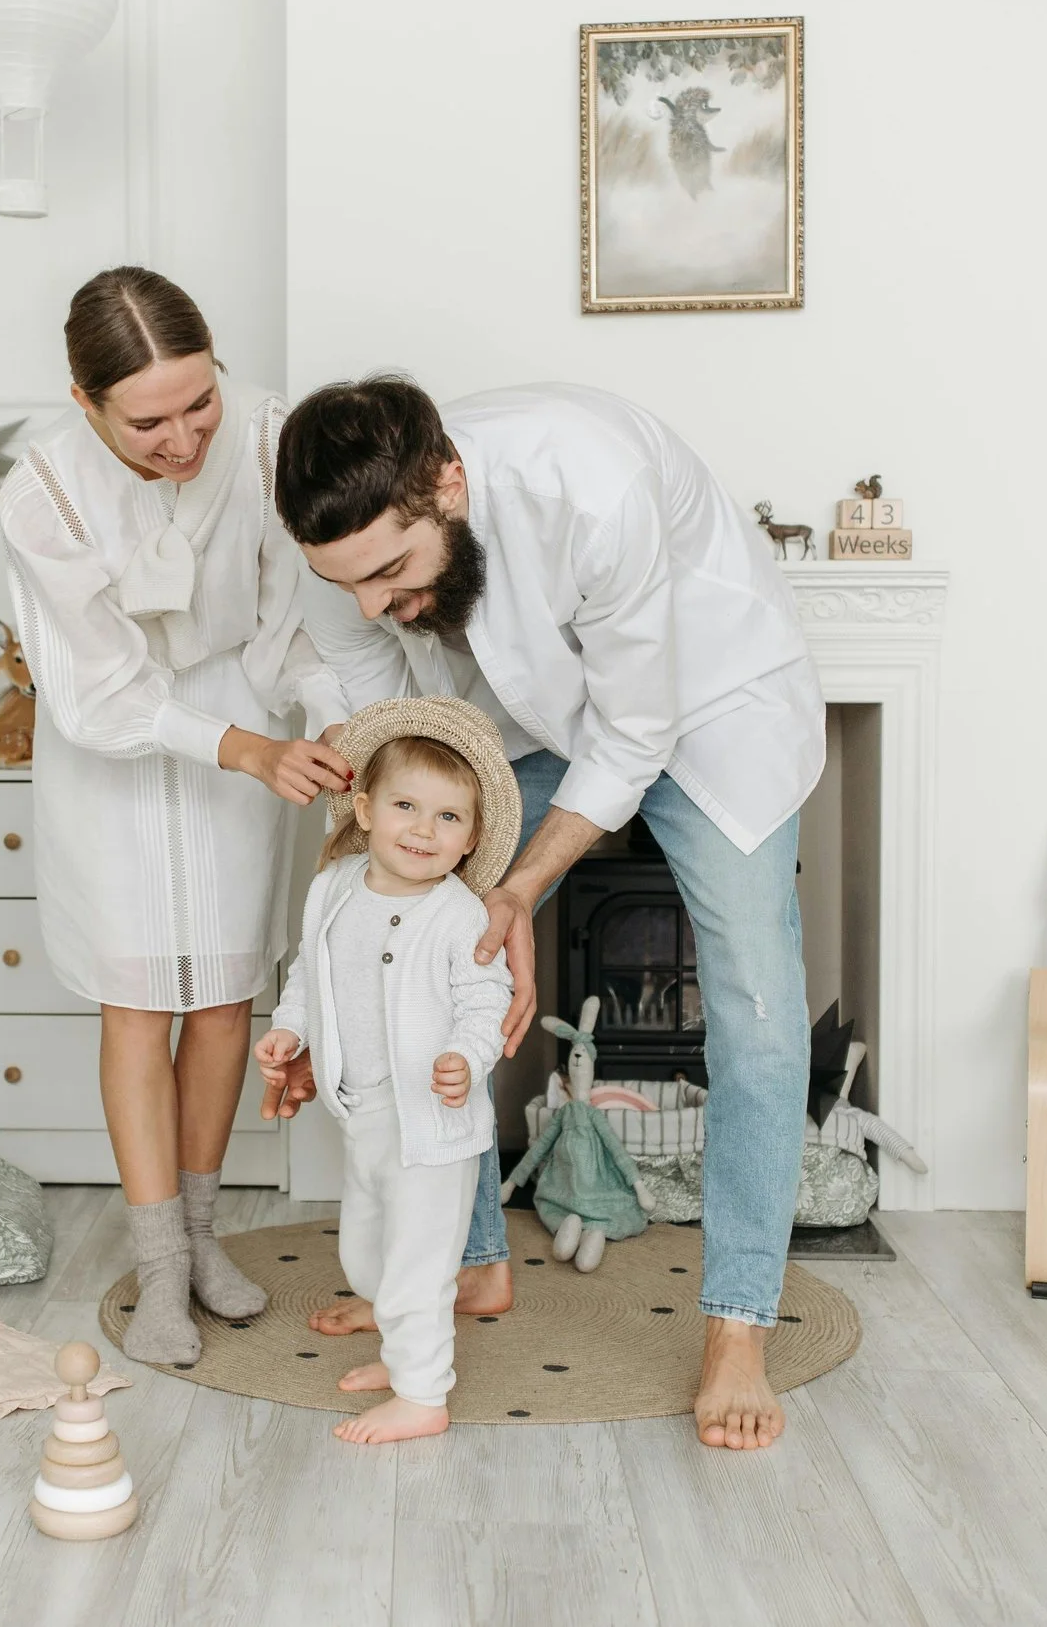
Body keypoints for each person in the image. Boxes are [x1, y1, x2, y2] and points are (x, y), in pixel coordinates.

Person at [273, 376, 823, 1450]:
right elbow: (379, 704)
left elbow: (633, 730)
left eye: (391, 571)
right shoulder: (342, 555)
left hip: (710, 700)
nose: (375, 603)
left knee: (757, 1010)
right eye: (352, 587)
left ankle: (738, 1321)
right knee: (446, 951)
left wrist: (523, 881)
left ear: (446, 482)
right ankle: (465, 1261)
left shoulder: (591, 486)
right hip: (519, 710)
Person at [0, 267, 351, 1366]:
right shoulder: (43, 493)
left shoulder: (263, 440)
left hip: (248, 737)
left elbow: (291, 628)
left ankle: (202, 1243)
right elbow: (99, 692)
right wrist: (239, 747)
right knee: (140, 1005)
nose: (183, 436)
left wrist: (334, 726)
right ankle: (155, 1272)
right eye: (148, 420)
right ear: (84, 399)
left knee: (225, 1003)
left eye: (199, 401)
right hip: (118, 762)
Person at [254, 698, 517, 1444]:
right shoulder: (335, 889)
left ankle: (423, 1395)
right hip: (364, 1110)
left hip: (433, 1126)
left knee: (417, 1263)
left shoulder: (456, 912)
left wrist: (466, 1060)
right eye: (406, 806)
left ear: (469, 839)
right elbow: (309, 972)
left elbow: (484, 999)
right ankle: (405, 1358)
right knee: (366, 1250)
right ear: (364, 809)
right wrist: (288, 1027)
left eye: (447, 817)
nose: (423, 830)